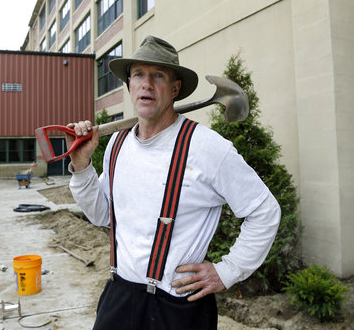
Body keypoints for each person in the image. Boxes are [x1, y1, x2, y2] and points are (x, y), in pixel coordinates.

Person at [65, 36, 281, 330]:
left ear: (175, 88)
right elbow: (103, 215)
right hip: (119, 297)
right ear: (129, 84)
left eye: (159, 76)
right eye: (139, 74)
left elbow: (265, 211)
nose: (147, 84)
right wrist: (81, 166)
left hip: (177, 310)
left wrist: (227, 270)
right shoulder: (117, 145)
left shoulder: (207, 148)